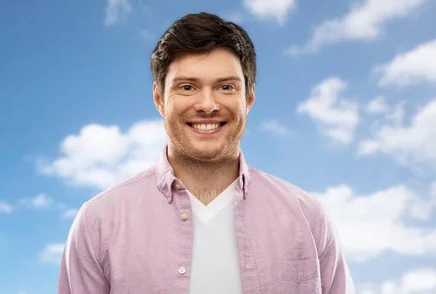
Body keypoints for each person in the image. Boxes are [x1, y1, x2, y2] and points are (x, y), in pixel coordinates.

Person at [57, 12, 355, 294]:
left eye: (226, 86)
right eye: (187, 87)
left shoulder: (308, 218)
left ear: (248, 98)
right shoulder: (98, 222)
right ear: (159, 98)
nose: (207, 104)